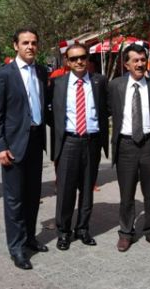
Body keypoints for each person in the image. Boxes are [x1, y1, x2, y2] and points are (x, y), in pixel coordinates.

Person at [0, 28, 50, 270]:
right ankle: (16, 248)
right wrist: (0, 147)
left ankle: (30, 238)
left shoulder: (42, 72)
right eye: (25, 42)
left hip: (36, 142)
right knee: (14, 200)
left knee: (33, 196)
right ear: (15, 45)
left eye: (34, 42)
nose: (30, 47)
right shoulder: (3, 75)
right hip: (13, 146)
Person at [108, 43, 150, 253]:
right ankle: (126, 233)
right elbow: (106, 110)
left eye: (143, 60)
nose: (140, 64)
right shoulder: (115, 86)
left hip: (149, 146)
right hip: (126, 146)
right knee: (126, 195)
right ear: (126, 64)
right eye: (135, 60)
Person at [51, 43, 108, 251]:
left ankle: (82, 229)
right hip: (68, 142)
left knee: (87, 188)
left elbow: (107, 108)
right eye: (74, 58)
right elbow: (50, 112)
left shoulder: (99, 81)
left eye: (82, 57)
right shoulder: (57, 83)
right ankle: (63, 231)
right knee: (65, 190)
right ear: (67, 61)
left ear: (88, 58)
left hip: (92, 141)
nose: (79, 61)